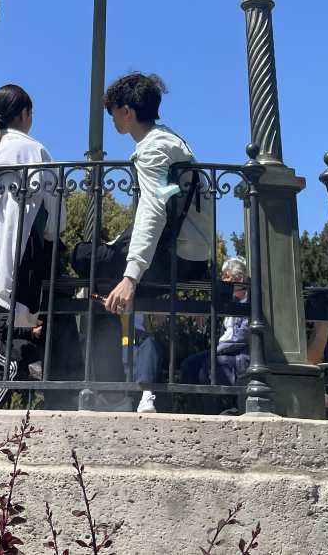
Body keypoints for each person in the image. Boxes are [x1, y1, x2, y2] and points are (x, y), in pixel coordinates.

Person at [0, 84, 70, 403]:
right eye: (31, 114)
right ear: (24, 114)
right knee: (64, 296)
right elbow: (56, 224)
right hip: (23, 270)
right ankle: (65, 392)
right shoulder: (35, 151)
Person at [101, 72, 213, 316]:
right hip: (194, 253)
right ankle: (109, 349)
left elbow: (153, 208)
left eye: (112, 111)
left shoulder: (153, 149)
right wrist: (121, 239)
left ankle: (102, 353)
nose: (111, 117)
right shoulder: (168, 139)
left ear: (127, 111)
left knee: (87, 259)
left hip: (179, 257)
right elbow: (160, 202)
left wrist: (131, 277)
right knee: (101, 261)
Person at [179, 257, 250, 413]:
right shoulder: (232, 302)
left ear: (240, 279)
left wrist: (218, 350)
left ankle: (213, 415)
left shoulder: (250, 303)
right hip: (224, 351)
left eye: (227, 276)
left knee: (207, 367)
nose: (224, 280)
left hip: (241, 357)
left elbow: (242, 337)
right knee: (188, 366)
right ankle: (198, 414)